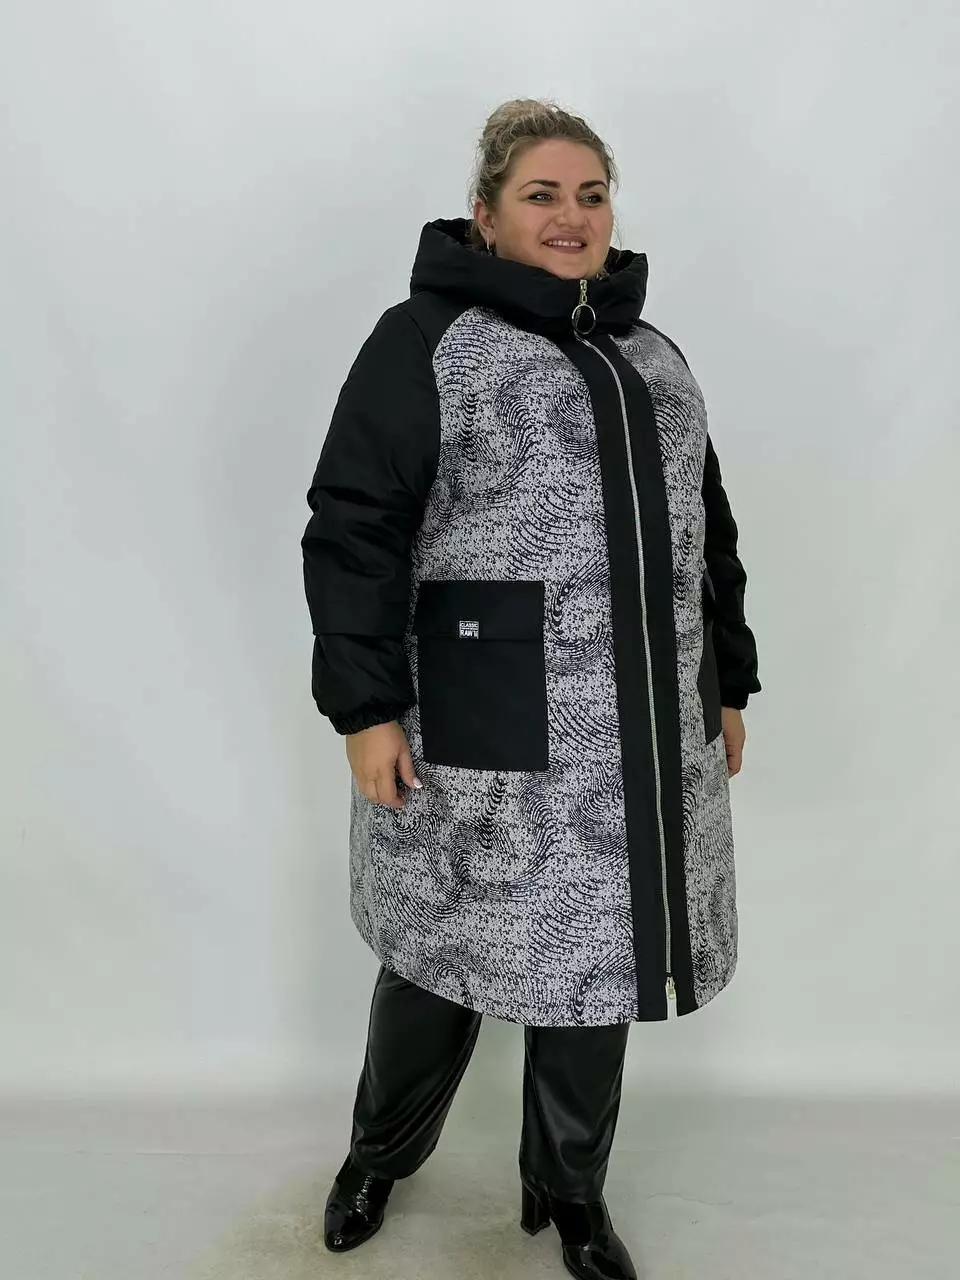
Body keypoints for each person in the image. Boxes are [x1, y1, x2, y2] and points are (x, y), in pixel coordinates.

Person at [300, 97, 761, 1280]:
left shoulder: (654, 357)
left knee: (600, 966)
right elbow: (355, 526)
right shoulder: (425, 341)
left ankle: (570, 1195)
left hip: (639, 737)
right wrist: (364, 708)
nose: (571, 216)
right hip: (475, 723)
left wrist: (727, 679)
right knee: (437, 960)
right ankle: (377, 1157)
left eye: (591, 194)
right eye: (542, 194)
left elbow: (705, 531)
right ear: (487, 214)